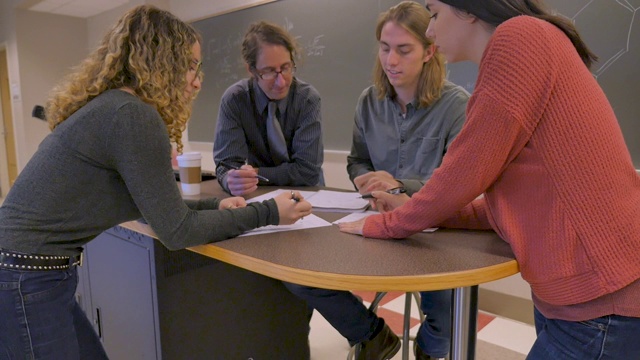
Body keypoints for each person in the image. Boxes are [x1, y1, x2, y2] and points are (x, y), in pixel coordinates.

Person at [0, 6, 312, 359]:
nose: (197, 79)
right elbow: (176, 230)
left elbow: (152, 209)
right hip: (26, 276)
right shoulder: (133, 116)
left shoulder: (118, 108)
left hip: (31, 271)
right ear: (163, 62)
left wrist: (215, 204)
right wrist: (268, 212)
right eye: (191, 65)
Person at [339, 0, 640, 359]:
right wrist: (422, 210)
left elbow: (463, 173)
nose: (431, 31)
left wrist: (387, 223)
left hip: (601, 297)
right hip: (581, 296)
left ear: (467, 8)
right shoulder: (529, 40)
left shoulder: (518, 38)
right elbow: (502, 205)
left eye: (434, 14)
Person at [284, 2, 469, 359]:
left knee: (445, 310)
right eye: (385, 48)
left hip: (432, 233)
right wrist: (364, 180)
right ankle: (373, 335)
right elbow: (357, 160)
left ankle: (428, 353)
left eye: (403, 50)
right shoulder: (369, 101)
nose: (391, 61)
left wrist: (401, 186)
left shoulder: (456, 106)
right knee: (300, 275)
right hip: (375, 222)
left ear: (429, 51)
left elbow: (458, 182)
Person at [213, 21, 324, 196]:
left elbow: (307, 171)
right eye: (270, 71)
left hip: (308, 195)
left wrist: (255, 174)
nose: (281, 82)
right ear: (251, 70)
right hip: (260, 196)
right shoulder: (235, 100)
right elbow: (227, 165)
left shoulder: (307, 99)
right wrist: (232, 180)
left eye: (286, 68)